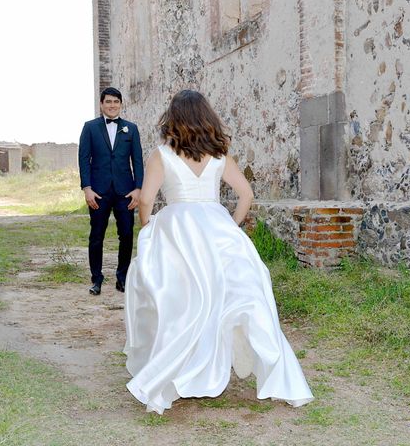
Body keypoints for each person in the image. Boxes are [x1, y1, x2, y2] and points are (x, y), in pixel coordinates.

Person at [123, 90, 313, 414]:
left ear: (173, 118)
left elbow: (146, 200)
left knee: (180, 304)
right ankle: (245, 369)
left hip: (177, 230)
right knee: (229, 298)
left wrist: (149, 227)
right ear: (206, 117)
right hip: (217, 227)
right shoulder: (221, 154)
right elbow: (246, 195)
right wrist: (232, 226)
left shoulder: (161, 155)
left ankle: (178, 371)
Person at [78, 87, 144, 296]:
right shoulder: (90, 128)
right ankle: (96, 279)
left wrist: (138, 189)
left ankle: (122, 278)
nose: (112, 105)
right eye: (108, 102)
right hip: (98, 191)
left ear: (121, 104)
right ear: (101, 104)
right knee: (96, 235)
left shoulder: (131, 129)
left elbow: (138, 161)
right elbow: (84, 160)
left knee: (126, 235)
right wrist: (87, 189)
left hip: (125, 191)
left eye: (116, 101)